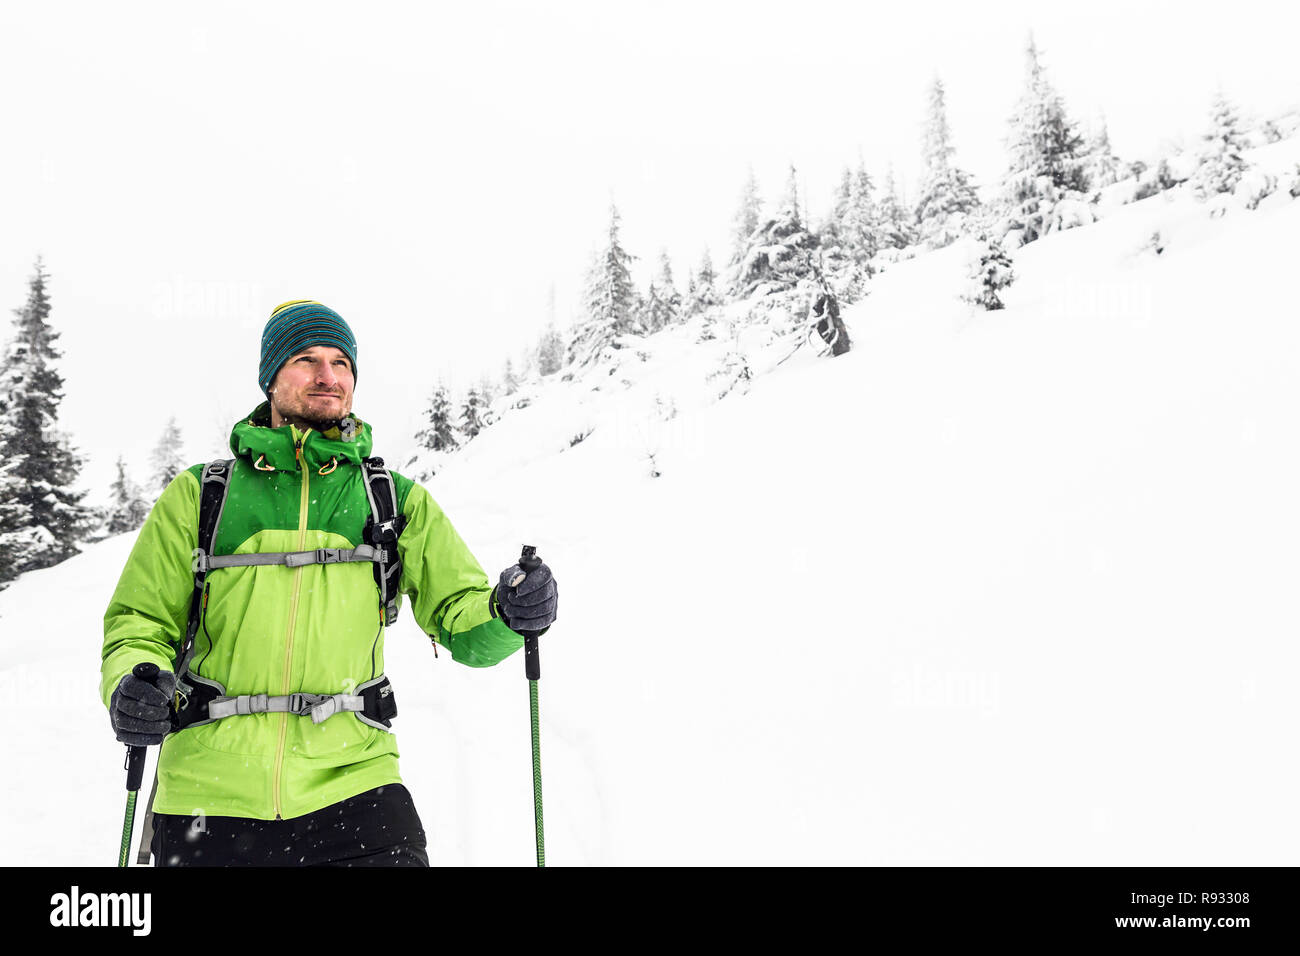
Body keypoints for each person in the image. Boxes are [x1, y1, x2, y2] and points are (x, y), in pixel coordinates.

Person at [101, 299, 558, 867]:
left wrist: (510, 611)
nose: (328, 376)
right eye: (306, 359)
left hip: (356, 785)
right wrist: (133, 682)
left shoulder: (393, 500)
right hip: (209, 793)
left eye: (341, 362)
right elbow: (140, 623)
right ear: (271, 379)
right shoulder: (200, 496)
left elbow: (464, 623)